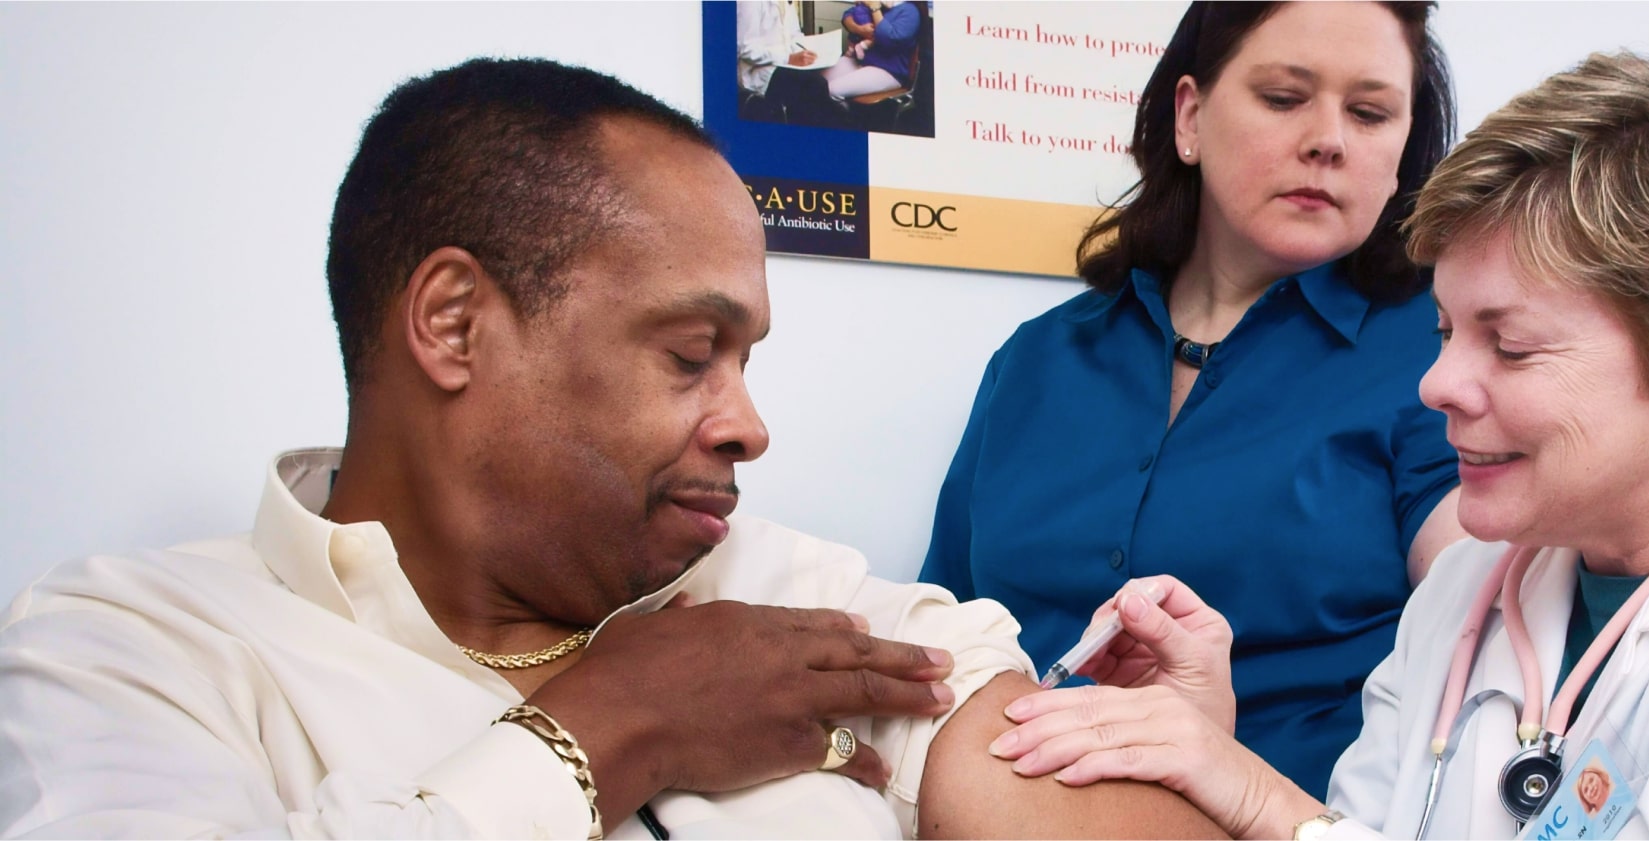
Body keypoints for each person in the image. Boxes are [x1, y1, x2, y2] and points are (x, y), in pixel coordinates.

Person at [0, 57, 1222, 840]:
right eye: (692, 353)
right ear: (453, 323)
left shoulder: (804, 603)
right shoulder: (131, 653)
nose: (748, 422)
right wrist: (606, 731)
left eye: (747, 363)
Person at [985, 32, 1649, 839]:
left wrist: (1261, 801)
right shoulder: (1470, 586)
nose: (1437, 382)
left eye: (1511, 346)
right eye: (1444, 330)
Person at [918, 1, 1465, 797]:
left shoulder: (1445, 352)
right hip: (994, 808)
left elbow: (1486, 614)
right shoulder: (1039, 358)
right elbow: (940, 632)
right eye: (1284, 98)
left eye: (1371, 112)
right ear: (1190, 116)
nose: (1329, 139)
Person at [736, 0, 830, 124]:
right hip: (759, 73)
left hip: (785, 64)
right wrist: (788, 58)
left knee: (822, 79)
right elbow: (746, 48)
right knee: (814, 85)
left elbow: (795, 36)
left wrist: (807, 52)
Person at [826, 1, 922, 101]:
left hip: (888, 71)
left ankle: (844, 115)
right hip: (862, 61)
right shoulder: (879, 3)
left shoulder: (910, 11)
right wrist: (858, 29)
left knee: (831, 90)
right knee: (818, 80)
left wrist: (875, 8)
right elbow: (848, 14)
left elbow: (888, 39)